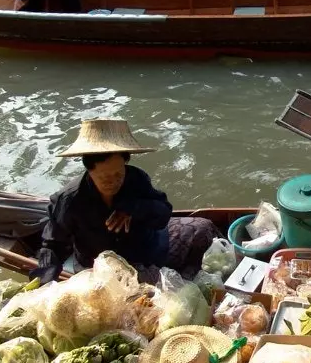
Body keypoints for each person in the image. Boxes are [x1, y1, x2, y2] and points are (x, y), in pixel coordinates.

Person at [32, 119, 220, 284]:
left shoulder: (136, 178)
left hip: (149, 250)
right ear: (90, 171)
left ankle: (180, 275)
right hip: (104, 270)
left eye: (118, 174)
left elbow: (163, 214)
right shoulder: (70, 199)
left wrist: (134, 208)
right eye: (105, 177)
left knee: (202, 227)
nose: (113, 182)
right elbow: (53, 245)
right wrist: (44, 281)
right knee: (147, 294)